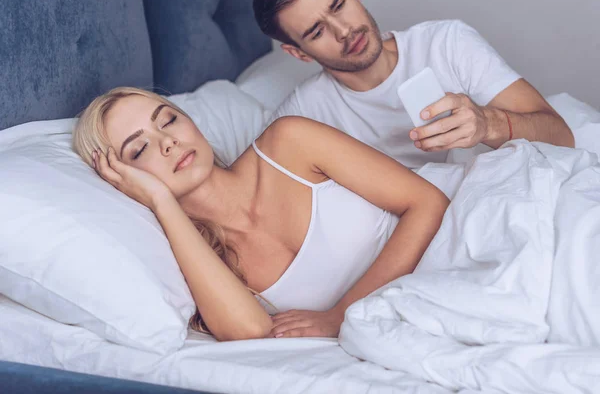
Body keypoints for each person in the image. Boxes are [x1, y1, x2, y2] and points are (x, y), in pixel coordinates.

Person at [72, 87, 449, 341]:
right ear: (124, 180)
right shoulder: (194, 259)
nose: (168, 142)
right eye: (139, 150)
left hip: (455, 243)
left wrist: (340, 315)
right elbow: (251, 331)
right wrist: (161, 202)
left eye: (168, 120)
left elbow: (428, 203)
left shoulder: (288, 143)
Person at [253, 0, 574, 169]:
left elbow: (560, 136)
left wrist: (488, 124)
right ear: (298, 54)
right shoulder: (302, 115)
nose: (344, 31)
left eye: (338, 4)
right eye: (317, 32)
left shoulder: (447, 43)